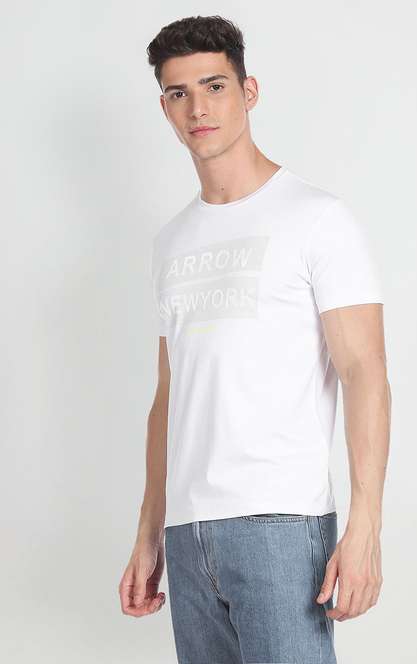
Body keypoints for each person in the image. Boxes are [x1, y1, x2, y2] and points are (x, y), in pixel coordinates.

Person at [118, 14, 391, 664]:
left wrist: (365, 526)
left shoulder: (316, 219)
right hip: (188, 534)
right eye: (179, 93)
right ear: (165, 107)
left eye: (214, 86)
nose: (198, 108)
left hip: (281, 525)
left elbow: (365, 372)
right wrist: (150, 531)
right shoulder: (170, 242)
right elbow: (168, 396)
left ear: (249, 91)